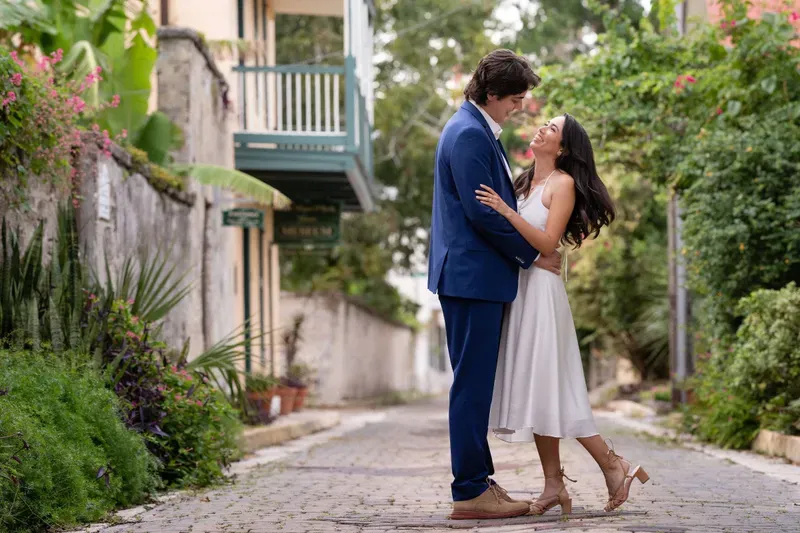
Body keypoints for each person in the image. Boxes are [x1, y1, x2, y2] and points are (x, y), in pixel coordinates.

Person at [476, 113, 650, 516]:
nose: (542, 129)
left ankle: (613, 463)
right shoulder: (522, 182)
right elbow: (529, 249)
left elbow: (548, 240)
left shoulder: (562, 184)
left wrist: (505, 210)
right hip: (521, 292)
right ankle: (554, 484)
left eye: (552, 129)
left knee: (553, 388)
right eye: (545, 124)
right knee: (538, 391)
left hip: (542, 298)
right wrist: (526, 249)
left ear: (564, 148)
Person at [427, 49, 562, 520]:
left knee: (477, 385)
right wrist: (534, 254)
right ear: (491, 93)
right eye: (517, 97)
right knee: (471, 386)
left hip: (477, 278)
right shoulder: (467, 134)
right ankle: (468, 491)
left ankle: (480, 482)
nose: (522, 106)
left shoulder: (478, 130)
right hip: (470, 278)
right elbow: (481, 212)